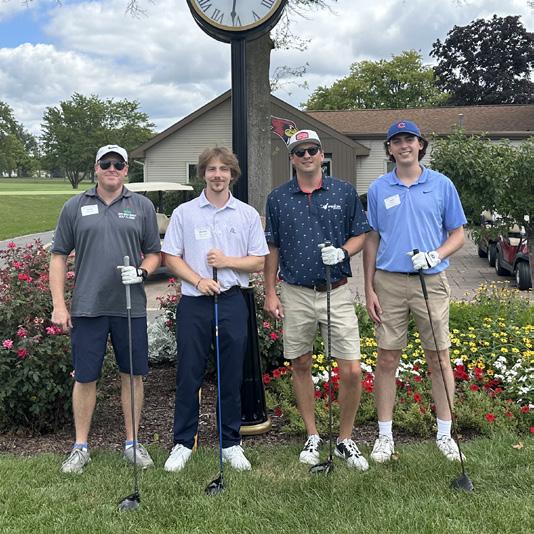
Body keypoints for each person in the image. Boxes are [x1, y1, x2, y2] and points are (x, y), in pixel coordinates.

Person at [50, 144, 161, 474]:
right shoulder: (74, 206)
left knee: (133, 375)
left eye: (118, 164)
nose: (112, 168)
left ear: (126, 170)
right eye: (106, 163)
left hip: (130, 306)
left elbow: (154, 254)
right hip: (88, 307)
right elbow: (58, 256)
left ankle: (132, 443)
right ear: (96, 168)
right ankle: (80, 446)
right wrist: (59, 305)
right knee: (85, 377)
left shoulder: (141, 206)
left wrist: (142, 272)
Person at [264, 129, 371, 470]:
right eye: (300, 152)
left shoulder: (343, 191)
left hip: (335, 290)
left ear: (322, 155)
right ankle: (312, 434)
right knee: (300, 363)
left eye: (312, 150)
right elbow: (272, 247)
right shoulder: (278, 198)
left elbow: (360, 235)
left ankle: (344, 438)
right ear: (292, 159)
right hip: (295, 291)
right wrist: (270, 291)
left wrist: (342, 252)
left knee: (351, 368)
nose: (307, 156)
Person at [363, 120, 467, 463]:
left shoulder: (441, 184)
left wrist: (436, 254)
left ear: (420, 144)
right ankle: (384, 436)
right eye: (397, 141)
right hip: (389, 281)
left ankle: (444, 434)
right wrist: (369, 287)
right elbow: (372, 238)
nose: (404, 145)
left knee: (439, 357)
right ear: (389, 149)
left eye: (410, 139)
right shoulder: (379, 188)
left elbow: (457, 234)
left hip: (431, 281)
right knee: (387, 357)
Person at [161, 146, 268, 472]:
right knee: (189, 373)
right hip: (195, 303)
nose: (217, 175)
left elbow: (259, 261)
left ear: (232, 174)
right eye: (211, 169)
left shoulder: (246, 214)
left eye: (223, 169)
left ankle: (230, 443)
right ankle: (183, 442)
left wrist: (226, 262)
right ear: (203, 174)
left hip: (232, 300)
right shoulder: (184, 213)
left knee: (230, 374)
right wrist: (198, 279)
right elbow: (170, 257)